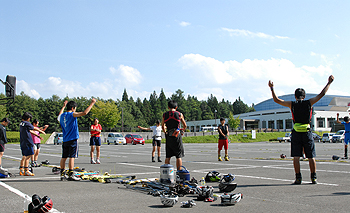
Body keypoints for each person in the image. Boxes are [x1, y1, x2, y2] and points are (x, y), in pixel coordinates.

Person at [268, 75, 334, 184]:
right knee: (311, 156)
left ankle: (298, 178)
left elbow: (276, 100)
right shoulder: (309, 103)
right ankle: (314, 177)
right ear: (304, 96)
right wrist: (329, 83)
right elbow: (322, 94)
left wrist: (272, 88)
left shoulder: (292, 104)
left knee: (296, 157)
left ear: (295, 96)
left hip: (296, 132)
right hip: (307, 131)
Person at [58, 98, 96, 181]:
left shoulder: (62, 116)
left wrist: (63, 106)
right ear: (72, 108)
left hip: (65, 139)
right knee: (72, 156)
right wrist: (92, 103)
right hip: (73, 139)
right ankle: (71, 173)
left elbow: (60, 114)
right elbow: (84, 113)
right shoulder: (72, 114)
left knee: (64, 157)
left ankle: (62, 173)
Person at [161, 100, 187, 170]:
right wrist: (182, 131)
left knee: (168, 156)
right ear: (176, 107)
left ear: (168, 107)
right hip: (177, 135)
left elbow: (162, 126)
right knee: (178, 156)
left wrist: (165, 132)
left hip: (169, 135)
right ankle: (179, 172)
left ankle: (166, 173)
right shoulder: (179, 114)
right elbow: (185, 125)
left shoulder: (165, 115)